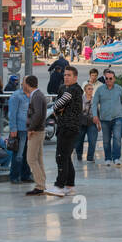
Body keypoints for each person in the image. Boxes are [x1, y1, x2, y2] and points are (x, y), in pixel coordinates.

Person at [49, 66, 84, 196]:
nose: (66, 77)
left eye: (69, 75)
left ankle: (60, 185)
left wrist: (59, 108)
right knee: (66, 157)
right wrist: (58, 108)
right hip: (62, 126)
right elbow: (57, 107)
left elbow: (57, 104)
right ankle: (70, 185)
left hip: (70, 127)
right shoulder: (63, 88)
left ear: (75, 77)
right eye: (65, 75)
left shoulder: (74, 90)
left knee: (61, 156)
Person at [93, 69, 122, 166]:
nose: (108, 80)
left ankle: (117, 158)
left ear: (114, 79)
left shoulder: (119, 89)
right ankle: (108, 158)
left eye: (110, 78)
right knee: (106, 140)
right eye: (106, 78)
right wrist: (94, 115)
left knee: (117, 138)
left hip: (117, 117)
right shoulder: (100, 90)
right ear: (104, 79)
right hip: (104, 119)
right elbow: (94, 103)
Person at [23, 75, 48, 196]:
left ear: (28, 84)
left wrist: (31, 128)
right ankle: (42, 183)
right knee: (38, 158)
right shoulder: (38, 95)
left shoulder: (37, 96)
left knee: (31, 158)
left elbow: (37, 114)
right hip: (39, 130)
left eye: (24, 83)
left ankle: (39, 185)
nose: (23, 85)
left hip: (36, 131)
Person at [7, 77, 32, 183]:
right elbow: (12, 113)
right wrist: (13, 128)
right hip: (20, 129)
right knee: (18, 155)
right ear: (23, 83)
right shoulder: (16, 96)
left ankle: (26, 175)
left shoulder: (32, 96)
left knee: (28, 154)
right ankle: (14, 176)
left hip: (29, 129)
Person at [74, 82, 99, 163]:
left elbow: (98, 112)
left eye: (92, 89)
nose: (91, 90)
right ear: (85, 90)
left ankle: (90, 157)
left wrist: (99, 124)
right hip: (81, 122)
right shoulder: (80, 99)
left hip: (92, 122)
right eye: (89, 89)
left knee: (92, 140)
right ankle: (79, 154)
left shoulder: (95, 99)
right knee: (79, 140)